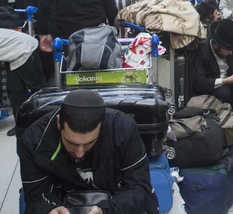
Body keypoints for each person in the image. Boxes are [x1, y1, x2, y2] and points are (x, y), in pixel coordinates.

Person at [19, 90, 159, 214]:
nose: (79, 153)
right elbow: (35, 197)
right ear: (58, 123)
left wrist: (107, 210)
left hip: (116, 205)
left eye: (88, 143)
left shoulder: (122, 129)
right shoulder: (34, 141)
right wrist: (48, 209)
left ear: (102, 125)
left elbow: (139, 188)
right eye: (72, 143)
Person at [0, 9, 45, 136]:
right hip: (13, 55)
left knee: (37, 89)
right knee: (15, 91)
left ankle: (47, 120)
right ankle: (22, 124)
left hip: (26, 49)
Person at [191, 20, 233, 118]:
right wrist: (226, 80)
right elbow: (199, 83)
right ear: (216, 45)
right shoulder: (202, 51)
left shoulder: (232, 48)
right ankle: (223, 120)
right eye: (228, 50)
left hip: (231, 80)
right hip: (213, 87)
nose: (231, 53)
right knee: (223, 92)